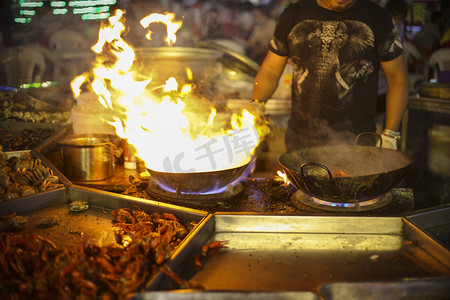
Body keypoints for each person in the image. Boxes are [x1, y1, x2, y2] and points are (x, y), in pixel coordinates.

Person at [251, 0, 408, 151]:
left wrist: (390, 134)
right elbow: (271, 69)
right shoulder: (294, 14)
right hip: (300, 139)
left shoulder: (378, 18)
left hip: (356, 143)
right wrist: (256, 104)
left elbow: (397, 79)